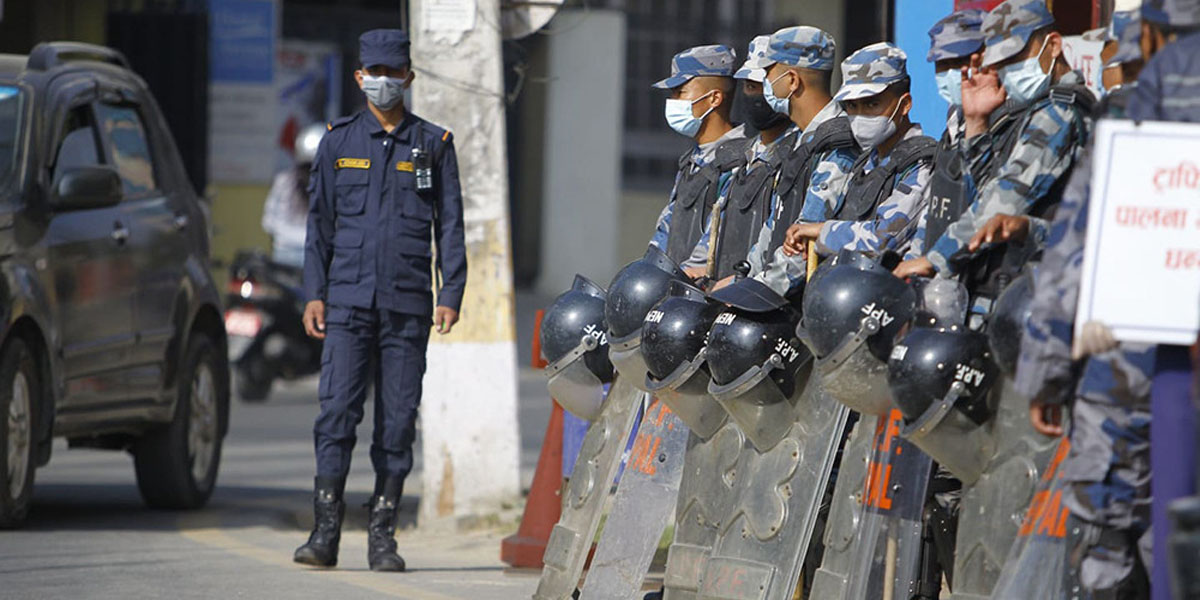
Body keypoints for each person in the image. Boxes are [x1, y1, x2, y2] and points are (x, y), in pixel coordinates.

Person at [295, 28, 467, 572]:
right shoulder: (337, 142)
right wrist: (313, 294)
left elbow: (452, 225)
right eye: (376, 72)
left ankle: (382, 539)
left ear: (410, 78)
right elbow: (318, 226)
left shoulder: (434, 145)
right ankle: (324, 534)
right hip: (345, 303)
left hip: (408, 304)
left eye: (394, 74)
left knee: (396, 423)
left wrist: (451, 291)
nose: (384, 82)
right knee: (337, 416)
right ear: (359, 77)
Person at [892, 0, 1093, 287]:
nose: (1008, 71)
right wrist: (976, 125)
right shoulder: (1039, 109)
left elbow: (1006, 197)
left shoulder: (1058, 112)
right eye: (1001, 64)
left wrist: (936, 259)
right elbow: (977, 192)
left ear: (1054, 46)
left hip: (1042, 284)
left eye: (1016, 57)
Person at [728, 25, 859, 296]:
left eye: (767, 74)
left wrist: (753, 294)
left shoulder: (836, 144)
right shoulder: (801, 140)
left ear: (791, 80)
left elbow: (801, 252)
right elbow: (773, 227)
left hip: (802, 313)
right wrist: (739, 283)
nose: (763, 84)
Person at [781, 42, 935, 261]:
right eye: (852, 106)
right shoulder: (864, 162)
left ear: (905, 104)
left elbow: (884, 239)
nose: (860, 115)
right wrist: (802, 239)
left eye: (872, 104)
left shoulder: (920, 164)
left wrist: (822, 232)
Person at [698, 35, 798, 282]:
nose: (756, 95)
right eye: (750, 86)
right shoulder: (736, 158)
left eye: (763, 85)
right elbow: (713, 231)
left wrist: (742, 283)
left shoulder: (798, 154)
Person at [649, 45, 748, 274]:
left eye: (680, 92)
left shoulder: (741, 160)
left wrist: (683, 277)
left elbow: (719, 238)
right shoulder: (692, 160)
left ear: (714, 98)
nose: (672, 100)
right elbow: (667, 230)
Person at [263, 123, 325, 268]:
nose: (311, 175)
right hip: (288, 258)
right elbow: (269, 223)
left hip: (317, 257)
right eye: (307, 168)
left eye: (317, 168)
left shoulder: (338, 188)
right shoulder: (284, 183)